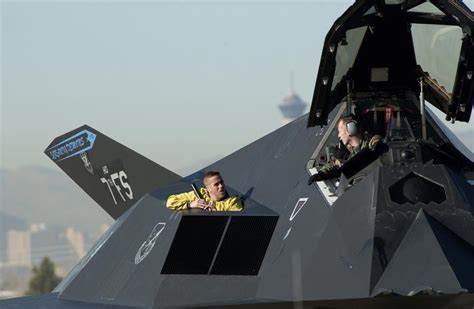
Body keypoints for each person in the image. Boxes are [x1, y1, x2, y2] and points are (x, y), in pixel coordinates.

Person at [308, 116, 382, 184]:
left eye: (340, 131)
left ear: (350, 129)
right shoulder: (352, 153)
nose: (338, 135)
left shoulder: (372, 145)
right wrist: (322, 173)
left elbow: (361, 160)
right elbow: (337, 163)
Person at [166, 171, 242, 211]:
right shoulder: (199, 194)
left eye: (221, 182)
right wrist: (191, 204)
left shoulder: (233, 202)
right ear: (208, 189)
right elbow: (170, 201)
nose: (221, 186)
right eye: (216, 184)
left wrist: (217, 213)